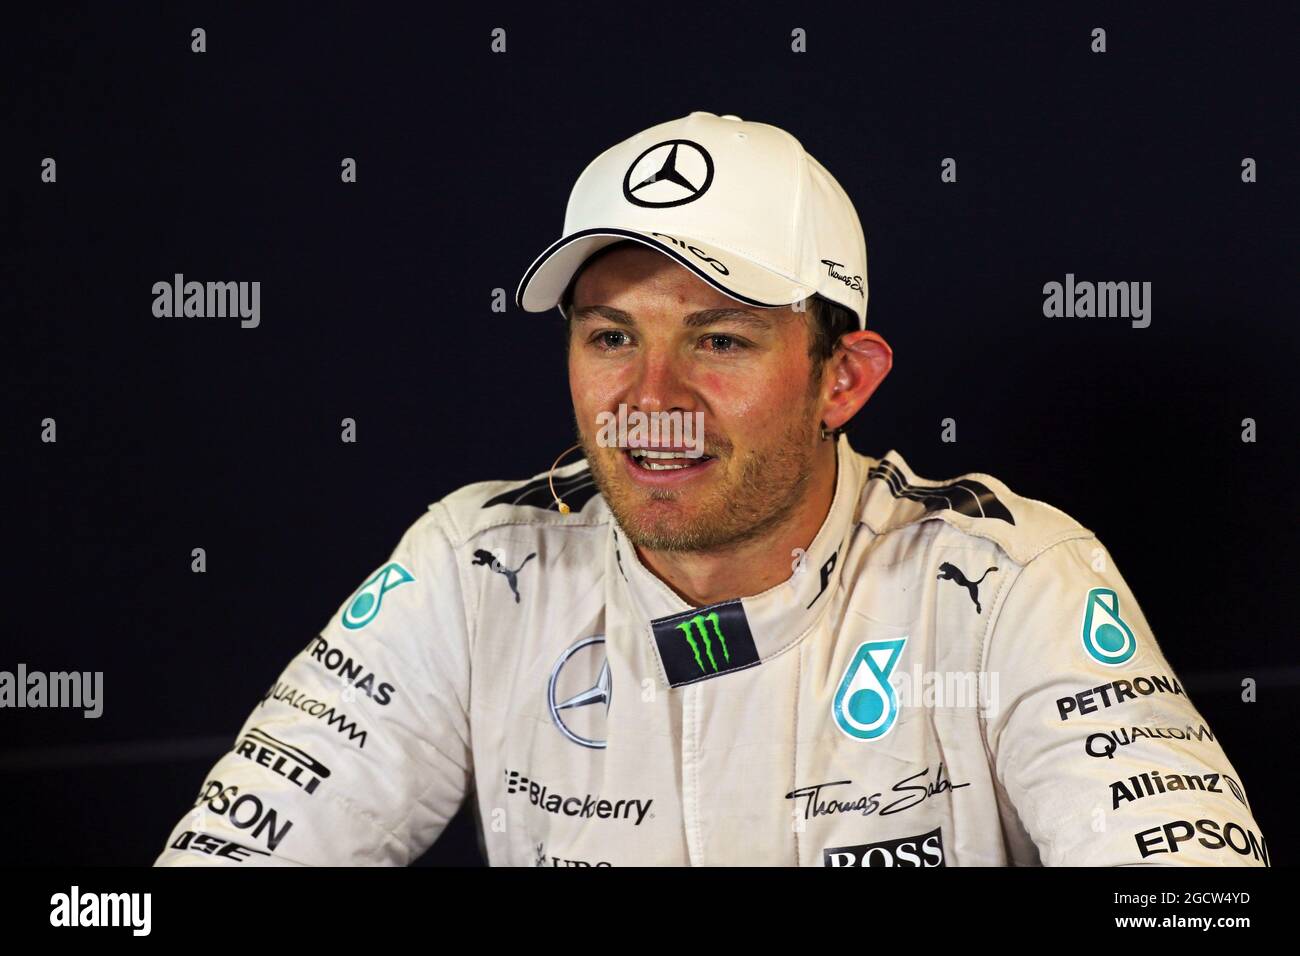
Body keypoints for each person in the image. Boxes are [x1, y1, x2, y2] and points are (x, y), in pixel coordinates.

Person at [155, 111, 1267, 867]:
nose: (650, 399)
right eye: (610, 336)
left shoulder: (1008, 579)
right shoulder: (478, 564)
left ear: (842, 378)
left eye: (720, 340)